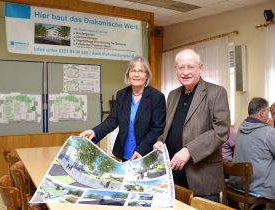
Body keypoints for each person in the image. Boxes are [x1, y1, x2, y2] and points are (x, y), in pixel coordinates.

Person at [153, 48, 230, 202]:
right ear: (176, 70)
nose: (185, 72)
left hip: (202, 176)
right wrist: (160, 140)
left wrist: (189, 150)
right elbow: (168, 126)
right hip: (174, 175)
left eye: (190, 67)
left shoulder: (216, 92)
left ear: (200, 68)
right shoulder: (172, 95)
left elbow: (221, 131)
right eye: (181, 67)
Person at [80, 56, 166, 161]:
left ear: (147, 75)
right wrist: (95, 132)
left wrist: (142, 150)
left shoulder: (157, 97)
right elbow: (113, 120)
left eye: (141, 71)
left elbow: (157, 128)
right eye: (133, 71)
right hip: (125, 153)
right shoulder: (122, 94)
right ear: (128, 75)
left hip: (146, 153)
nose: (136, 74)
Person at [229, 97, 275, 200]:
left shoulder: (241, 127)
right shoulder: (268, 132)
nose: (269, 117)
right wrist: (270, 129)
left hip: (237, 183)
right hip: (258, 188)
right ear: (262, 113)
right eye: (268, 113)